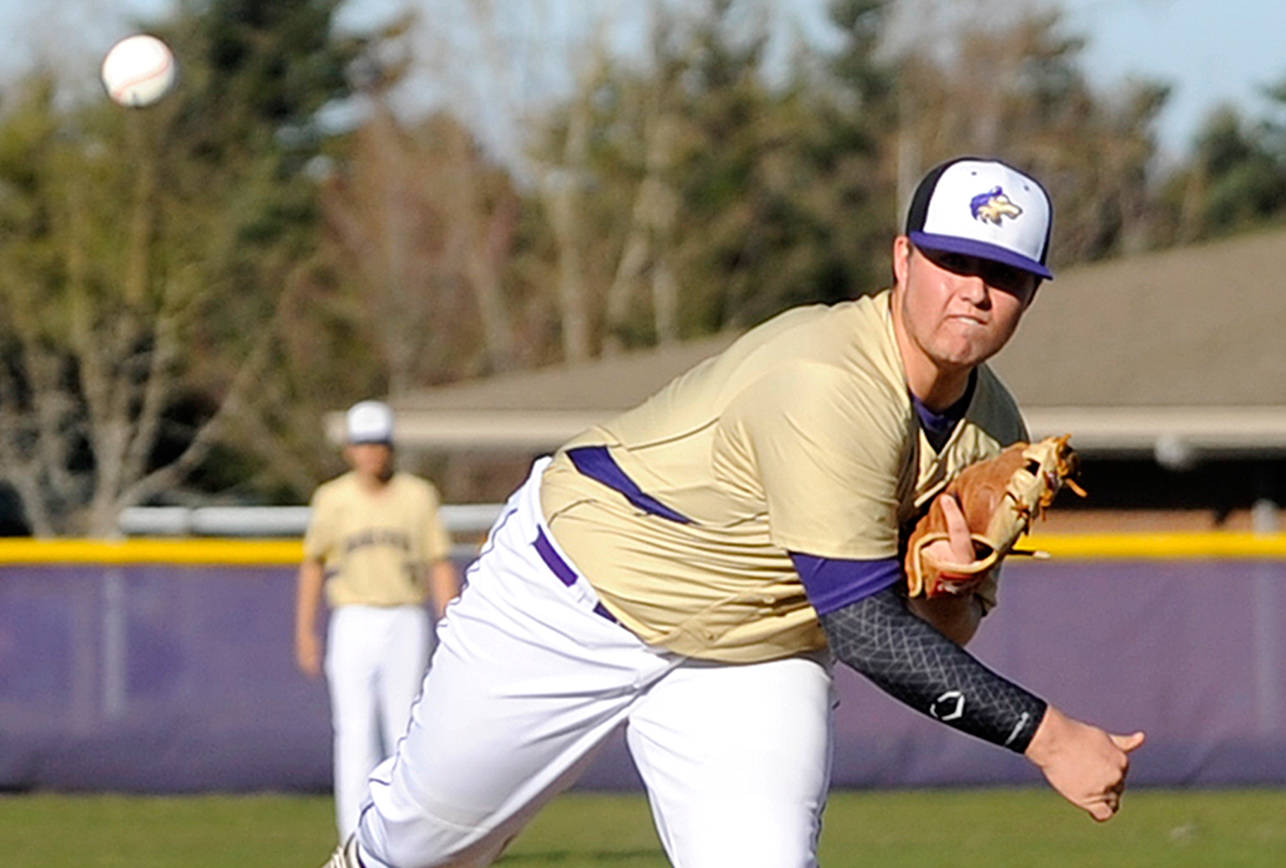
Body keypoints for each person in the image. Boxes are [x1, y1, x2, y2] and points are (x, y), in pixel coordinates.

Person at [322, 158, 1145, 868]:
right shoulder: (827, 378)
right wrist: (1049, 735)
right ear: (902, 258)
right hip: (580, 597)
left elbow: (933, 630)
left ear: (1030, 296)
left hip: (755, 651)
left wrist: (944, 595)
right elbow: (864, 630)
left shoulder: (997, 434)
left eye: (1002, 275)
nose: (973, 292)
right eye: (952, 260)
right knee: (421, 851)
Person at [297, 399, 462, 843]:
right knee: (353, 730)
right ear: (350, 450)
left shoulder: (418, 495)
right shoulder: (333, 498)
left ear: (391, 448)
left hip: (404, 616)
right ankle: (354, 832)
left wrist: (449, 624)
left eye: (379, 444)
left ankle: (403, 832)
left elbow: (438, 562)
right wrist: (305, 630)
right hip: (352, 617)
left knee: (404, 729)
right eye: (363, 444)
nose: (371, 453)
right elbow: (313, 563)